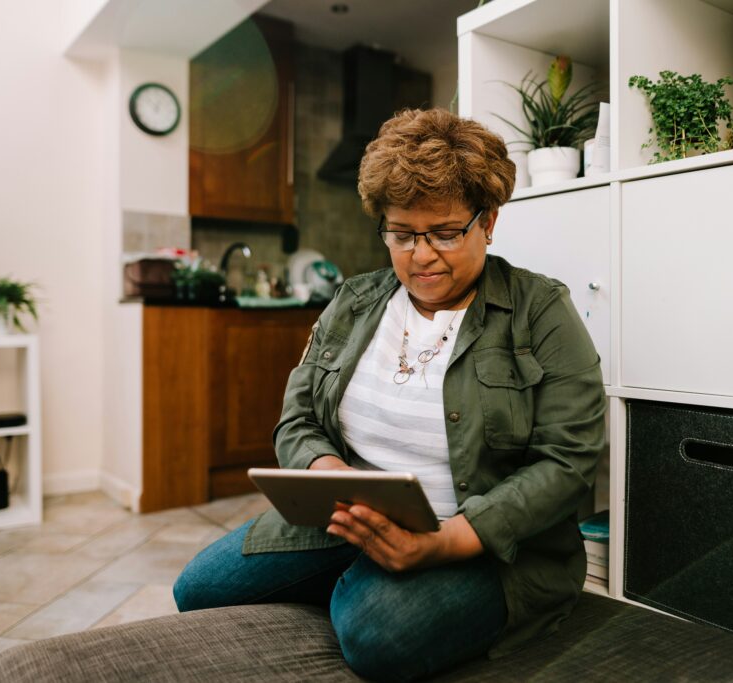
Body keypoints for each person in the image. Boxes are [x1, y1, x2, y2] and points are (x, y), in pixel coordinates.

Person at [173, 108, 607, 682]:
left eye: (445, 233)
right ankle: (364, 569)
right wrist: (327, 474)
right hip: (348, 517)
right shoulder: (354, 302)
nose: (421, 256)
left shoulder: (540, 311)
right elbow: (297, 418)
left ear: (489, 221)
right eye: (401, 234)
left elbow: (569, 460)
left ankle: (377, 585)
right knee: (199, 586)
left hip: (481, 542)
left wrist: (448, 542)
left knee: (377, 636)